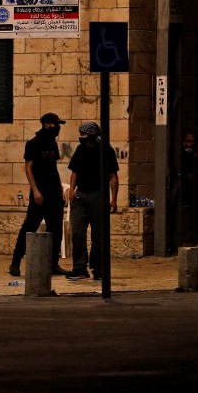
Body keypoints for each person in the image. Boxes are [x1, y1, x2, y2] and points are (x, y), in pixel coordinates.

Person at [9, 113, 69, 277]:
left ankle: (53, 264)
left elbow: (53, 168)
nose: (57, 128)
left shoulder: (52, 144)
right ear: (46, 124)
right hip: (39, 192)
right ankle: (15, 262)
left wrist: (59, 190)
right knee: (30, 227)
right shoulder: (33, 144)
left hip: (54, 193)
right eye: (55, 124)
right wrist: (35, 191)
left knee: (55, 229)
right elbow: (28, 168)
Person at [65, 121, 119, 281]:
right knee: (77, 233)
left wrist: (113, 199)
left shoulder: (106, 151)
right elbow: (74, 171)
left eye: (85, 135)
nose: (82, 138)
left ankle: (99, 268)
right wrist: (72, 190)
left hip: (98, 195)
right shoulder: (80, 150)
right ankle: (79, 268)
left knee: (99, 235)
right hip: (81, 194)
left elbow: (113, 176)